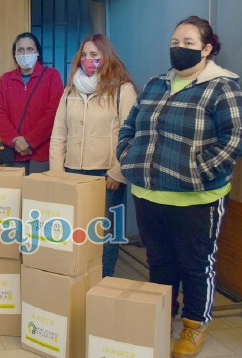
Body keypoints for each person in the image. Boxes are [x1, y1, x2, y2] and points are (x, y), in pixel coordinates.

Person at [117, 16, 242, 358]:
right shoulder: (157, 84)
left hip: (197, 197)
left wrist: (200, 171)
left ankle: (193, 326)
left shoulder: (223, 86)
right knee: (159, 262)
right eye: (175, 42)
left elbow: (234, 139)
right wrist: (127, 155)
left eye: (188, 43)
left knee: (196, 264)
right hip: (148, 192)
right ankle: (161, 318)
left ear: (207, 48)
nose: (179, 48)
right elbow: (130, 126)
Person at [50, 34, 137, 277]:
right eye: (85, 55)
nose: (89, 60)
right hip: (72, 174)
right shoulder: (70, 91)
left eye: (95, 55)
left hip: (106, 176)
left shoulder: (122, 90)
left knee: (105, 236)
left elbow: (131, 135)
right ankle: (77, 284)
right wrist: (58, 174)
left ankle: (102, 283)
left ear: (106, 57)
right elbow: (59, 134)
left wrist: (118, 173)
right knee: (75, 232)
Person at [0, 32, 64, 175]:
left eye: (30, 49)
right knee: (15, 196)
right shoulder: (5, 80)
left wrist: (30, 141)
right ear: (15, 54)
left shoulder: (52, 76)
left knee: (39, 196)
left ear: (37, 52)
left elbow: (53, 114)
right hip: (14, 152)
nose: (25, 53)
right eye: (20, 50)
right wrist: (16, 142)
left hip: (42, 153)